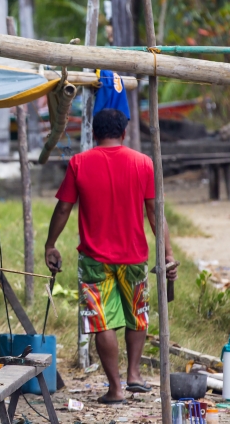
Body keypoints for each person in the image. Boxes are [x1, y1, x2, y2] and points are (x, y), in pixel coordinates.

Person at [43, 108, 178, 404]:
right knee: (136, 315)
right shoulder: (143, 163)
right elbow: (156, 214)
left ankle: (116, 388)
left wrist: (50, 244)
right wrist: (168, 254)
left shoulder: (79, 163)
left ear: (93, 134)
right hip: (134, 257)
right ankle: (133, 374)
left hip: (94, 259)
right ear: (125, 133)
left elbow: (64, 208)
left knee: (102, 322)